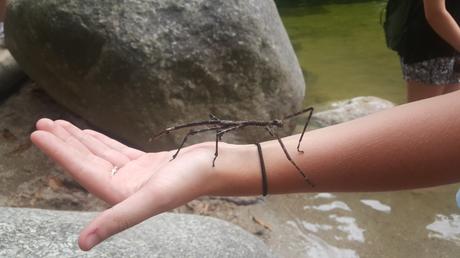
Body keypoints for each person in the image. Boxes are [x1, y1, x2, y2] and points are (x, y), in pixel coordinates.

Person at [31, 89, 460, 251]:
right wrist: (226, 162)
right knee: (204, 134)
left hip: (235, 146)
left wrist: (236, 163)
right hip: (218, 141)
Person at [391, 0, 460, 102]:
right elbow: (435, 13)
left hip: (454, 40)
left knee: (451, 110)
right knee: (422, 112)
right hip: (430, 47)